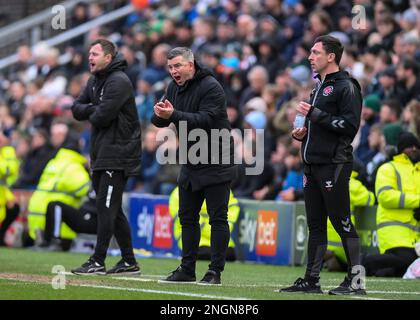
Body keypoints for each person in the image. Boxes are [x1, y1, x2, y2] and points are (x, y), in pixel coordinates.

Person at [280, 35, 365, 295]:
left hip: (334, 163)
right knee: (315, 225)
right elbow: (322, 125)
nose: (310, 57)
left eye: (316, 52)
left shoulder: (346, 86)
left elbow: (349, 126)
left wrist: (315, 115)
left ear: (331, 57)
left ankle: (356, 282)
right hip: (312, 164)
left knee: (341, 222)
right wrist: (303, 132)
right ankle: (311, 280)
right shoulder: (318, 87)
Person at [152, 47, 236, 285]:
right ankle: (187, 270)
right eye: (170, 67)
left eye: (177, 66)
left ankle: (214, 272)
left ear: (191, 65)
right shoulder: (173, 87)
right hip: (191, 160)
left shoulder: (211, 86)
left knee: (217, 217)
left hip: (217, 159)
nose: (173, 71)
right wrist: (159, 114)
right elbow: (160, 119)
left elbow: (206, 120)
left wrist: (173, 115)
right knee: (187, 217)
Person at [71, 39, 142, 275]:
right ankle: (129, 261)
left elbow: (101, 117)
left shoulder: (119, 81)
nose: (89, 57)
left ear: (108, 57)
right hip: (101, 153)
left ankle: (98, 260)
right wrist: (94, 107)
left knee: (105, 207)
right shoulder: (94, 80)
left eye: (94, 53)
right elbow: (76, 108)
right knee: (113, 209)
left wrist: (92, 108)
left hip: (117, 154)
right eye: (89, 53)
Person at [363, 132, 420, 277]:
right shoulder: (388, 168)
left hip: (415, 235)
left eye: (416, 146)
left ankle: (383, 271)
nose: (414, 149)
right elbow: (385, 197)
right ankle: (365, 263)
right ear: (401, 149)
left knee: (409, 267)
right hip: (394, 232)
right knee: (409, 260)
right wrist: (417, 201)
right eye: (409, 146)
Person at [169, 186, 240, 261]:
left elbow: (232, 209)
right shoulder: (180, 190)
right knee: (201, 253)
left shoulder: (222, 188)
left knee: (230, 254)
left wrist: (220, 227)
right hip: (196, 240)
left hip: (218, 239)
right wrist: (217, 228)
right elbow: (185, 218)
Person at [37, 187, 97, 251]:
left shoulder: (106, 183)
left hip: (95, 220)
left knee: (57, 206)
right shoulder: (96, 181)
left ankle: (56, 242)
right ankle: (47, 242)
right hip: (84, 214)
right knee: (53, 205)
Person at [0, 130, 20, 246]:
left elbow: (11, 170)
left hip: (3, 194)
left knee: (14, 207)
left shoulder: (8, 152)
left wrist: (9, 197)